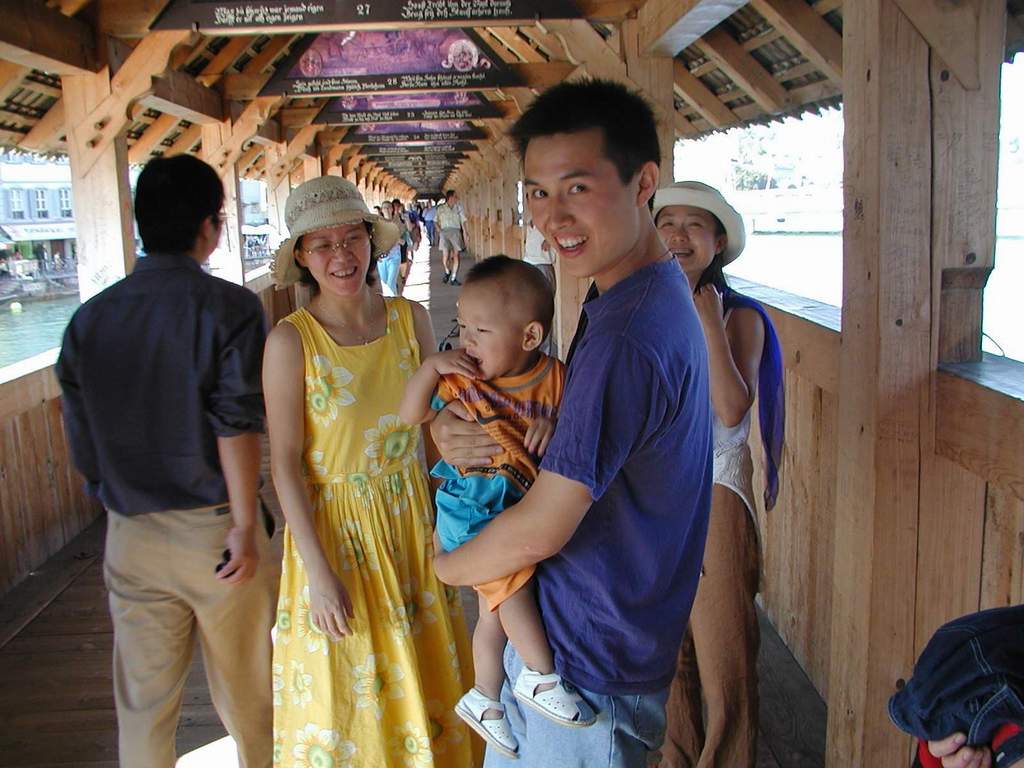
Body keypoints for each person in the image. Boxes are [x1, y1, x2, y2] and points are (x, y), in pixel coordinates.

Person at [429, 78, 714, 768]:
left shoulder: (626, 334)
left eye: (577, 188)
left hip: (589, 662)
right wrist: (447, 430)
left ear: (643, 182)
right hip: (582, 634)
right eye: (536, 192)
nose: (552, 216)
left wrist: (443, 566)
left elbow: (543, 527)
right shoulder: (634, 294)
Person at [55, 154, 277, 767]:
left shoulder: (89, 318)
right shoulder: (230, 308)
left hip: (130, 534)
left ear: (141, 223)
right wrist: (243, 524)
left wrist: (112, 495)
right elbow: (235, 422)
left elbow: (79, 433)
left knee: (143, 708)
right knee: (250, 697)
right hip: (219, 535)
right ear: (210, 225)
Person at [263, 175, 477, 768]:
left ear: (369, 239)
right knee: (347, 686)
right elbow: (284, 464)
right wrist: (317, 571)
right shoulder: (291, 341)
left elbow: (432, 431)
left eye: (351, 237)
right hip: (336, 534)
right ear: (303, 257)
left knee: (427, 674)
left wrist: (452, 517)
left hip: (411, 519)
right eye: (322, 244)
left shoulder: (411, 319)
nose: (341, 254)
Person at [400, 256, 590, 759]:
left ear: (530, 337)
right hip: (470, 509)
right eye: (462, 326)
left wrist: (555, 426)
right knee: (514, 590)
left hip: (513, 509)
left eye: (481, 330)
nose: (467, 341)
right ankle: (540, 674)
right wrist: (430, 367)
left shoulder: (555, 378)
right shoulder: (463, 379)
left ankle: (485, 698)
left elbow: (577, 424)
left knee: (493, 613)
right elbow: (409, 413)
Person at [652, 181, 785, 768]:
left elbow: (732, 410)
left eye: (694, 225)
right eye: (667, 223)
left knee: (724, 651)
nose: (678, 236)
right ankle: (677, 757)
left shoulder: (740, 316)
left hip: (716, 486)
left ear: (718, 242)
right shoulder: (646, 307)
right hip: (656, 494)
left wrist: (707, 322)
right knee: (669, 650)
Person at [437, 189, 468, 285]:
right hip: (444, 232)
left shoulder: (458, 208)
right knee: (445, 256)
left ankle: (453, 278)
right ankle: (447, 271)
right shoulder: (441, 208)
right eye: (455, 196)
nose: (456, 198)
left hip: (455, 232)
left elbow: (463, 220)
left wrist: (465, 232)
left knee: (456, 255)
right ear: (450, 197)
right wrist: (439, 230)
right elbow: (435, 221)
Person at [378, 200, 403, 296]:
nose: (387, 210)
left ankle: (393, 303)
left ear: (392, 209)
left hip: (394, 256)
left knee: (390, 283)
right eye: (384, 208)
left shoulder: (397, 221)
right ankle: (391, 302)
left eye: (388, 207)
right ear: (381, 210)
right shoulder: (378, 223)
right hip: (382, 257)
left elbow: (400, 238)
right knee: (384, 284)